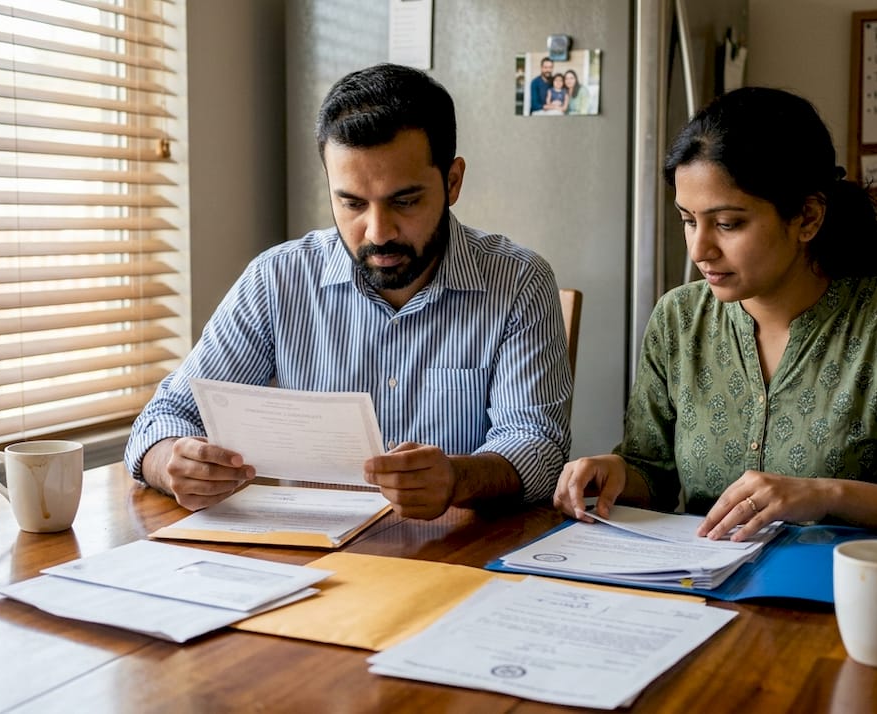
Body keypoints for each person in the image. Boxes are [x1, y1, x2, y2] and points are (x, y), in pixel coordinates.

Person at [553, 87, 877, 543]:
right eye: (687, 220)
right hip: (701, 597)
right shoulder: (678, 319)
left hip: (840, 601)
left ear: (807, 218)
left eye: (727, 223)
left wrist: (826, 495)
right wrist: (614, 473)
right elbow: (652, 472)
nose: (700, 249)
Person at [128, 63, 573, 520]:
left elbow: (539, 445)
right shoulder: (277, 280)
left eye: (404, 201)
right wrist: (169, 462)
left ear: (453, 181)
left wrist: (458, 478)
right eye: (352, 203)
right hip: (312, 561)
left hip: (459, 556)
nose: (378, 233)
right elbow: (166, 414)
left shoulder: (518, 281)